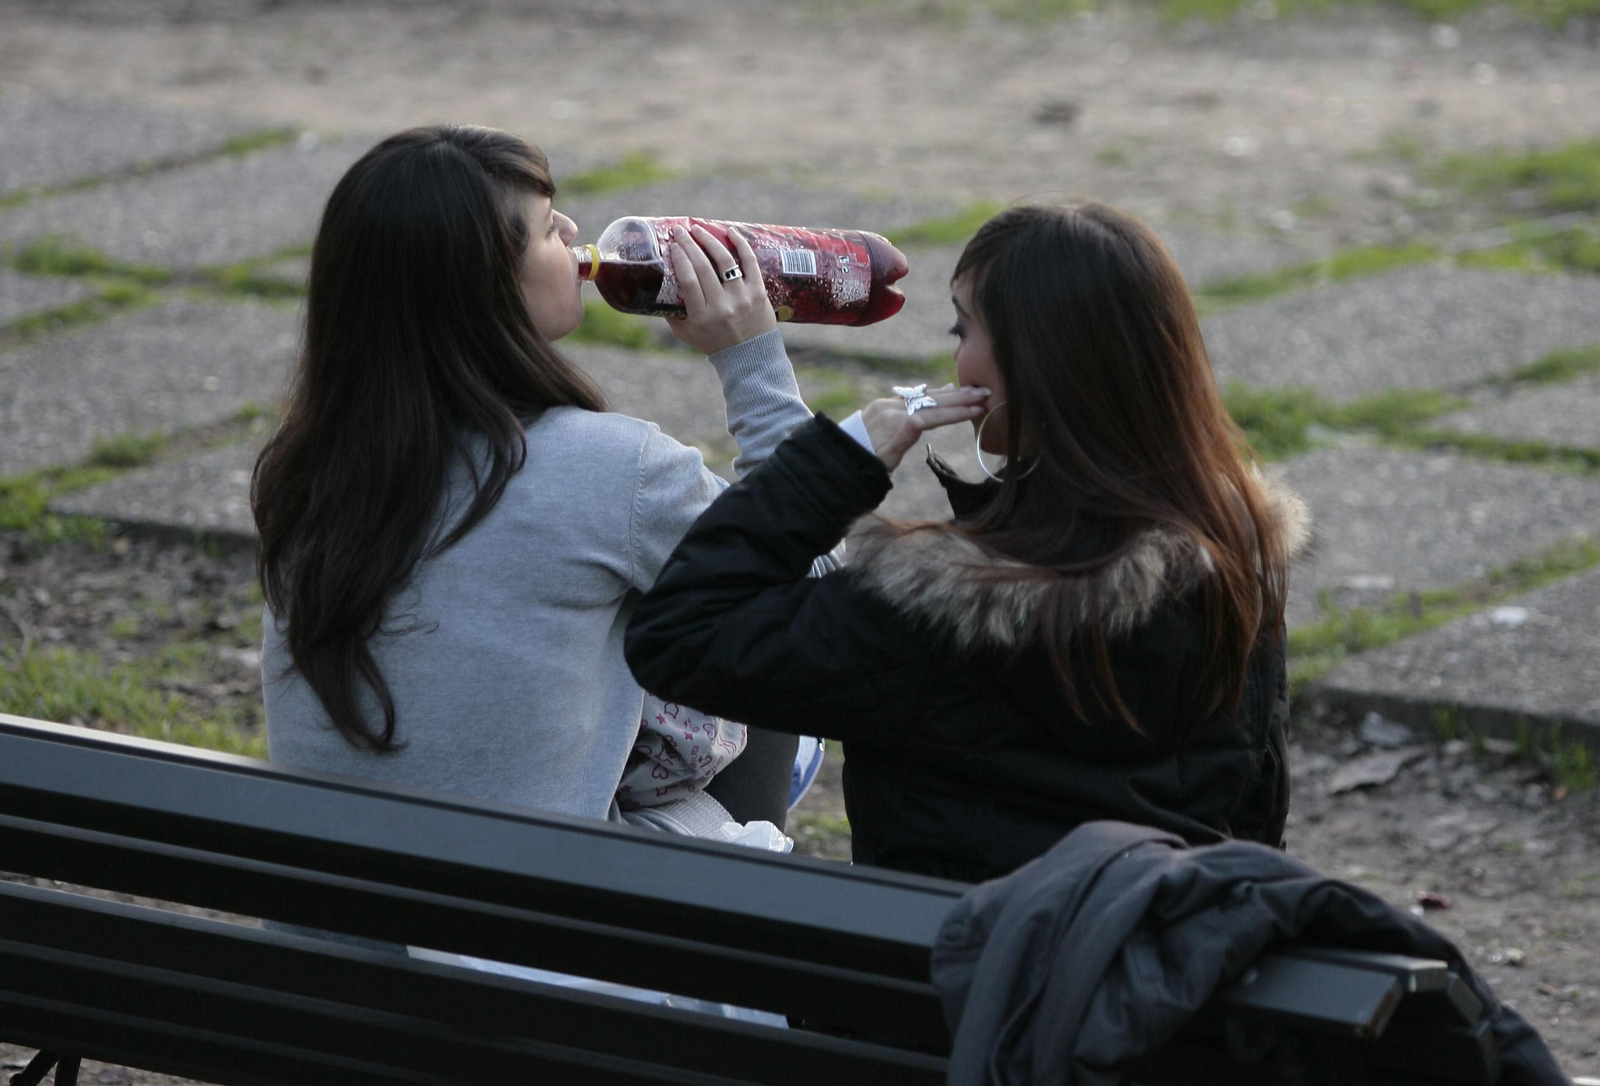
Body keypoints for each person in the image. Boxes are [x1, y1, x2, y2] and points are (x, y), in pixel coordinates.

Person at [625, 202, 1311, 884]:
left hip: (947, 979)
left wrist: (839, 458)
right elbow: (1255, 817)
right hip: (1158, 963)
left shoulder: (938, 611)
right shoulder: (1232, 563)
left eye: (963, 328)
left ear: (1029, 366)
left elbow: (681, 633)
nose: (956, 359)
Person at [252, 124, 821, 842]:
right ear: (485, 290)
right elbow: (816, 588)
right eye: (549, 231)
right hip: (533, 931)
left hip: (336, 923)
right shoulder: (614, 470)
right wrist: (751, 361)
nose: (577, 233)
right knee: (758, 639)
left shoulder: (307, 473)